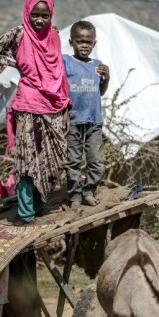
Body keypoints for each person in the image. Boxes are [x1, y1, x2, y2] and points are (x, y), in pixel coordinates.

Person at [0, 0, 71, 224]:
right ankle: (27, 211)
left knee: (52, 160)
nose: (39, 20)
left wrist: (67, 108)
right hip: (28, 104)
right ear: (27, 13)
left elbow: (60, 73)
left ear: (51, 15)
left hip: (53, 104)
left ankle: (39, 205)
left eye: (45, 15)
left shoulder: (55, 36)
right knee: (28, 162)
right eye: (35, 15)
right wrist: (14, 64)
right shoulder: (19, 33)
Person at [63, 20, 110, 211]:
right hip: (72, 120)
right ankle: (74, 196)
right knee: (73, 161)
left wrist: (108, 77)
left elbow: (101, 91)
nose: (84, 45)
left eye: (88, 42)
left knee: (96, 161)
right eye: (79, 41)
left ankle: (88, 191)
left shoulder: (98, 65)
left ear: (94, 44)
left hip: (93, 120)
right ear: (71, 42)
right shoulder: (65, 61)